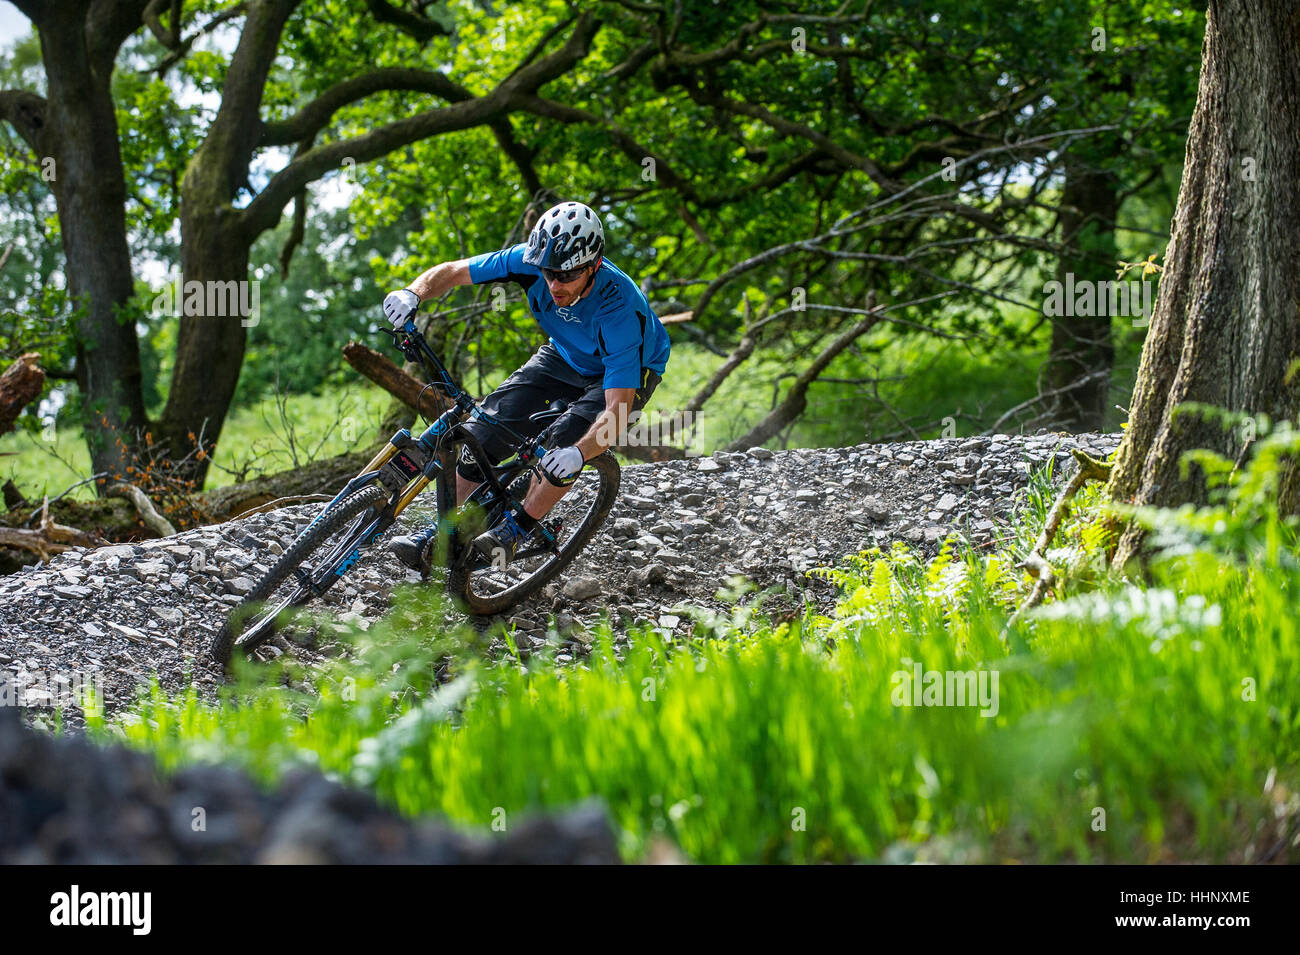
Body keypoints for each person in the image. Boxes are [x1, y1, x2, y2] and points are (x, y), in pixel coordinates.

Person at [381, 200, 671, 572]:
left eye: (565, 276)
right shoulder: (527, 260)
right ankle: (443, 532)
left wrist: (579, 455)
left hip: (624, 371)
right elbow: (453, 272)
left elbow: (616, 411)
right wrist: (413, 293)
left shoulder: (619, 311)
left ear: (594, 266)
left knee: (563, 446)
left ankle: (519, 527)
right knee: (481, 433)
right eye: (548, 273)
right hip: (563, 354)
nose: (554, 285)